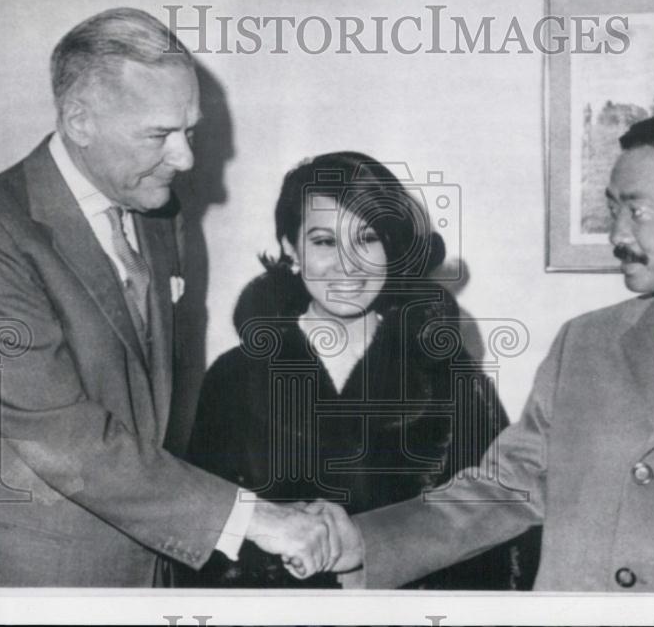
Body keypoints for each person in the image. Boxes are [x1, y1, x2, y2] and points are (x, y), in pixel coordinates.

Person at [322, 110, 654, 593]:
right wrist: (361, 543)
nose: (616, 233)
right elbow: (504, 488)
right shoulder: (582, 343)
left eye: (637, 210)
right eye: (610, 209)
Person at [0, 8, 340, 587]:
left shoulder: (157, 209)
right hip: (28, 573)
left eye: (189, 129)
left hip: (149, 564)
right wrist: (252, 518)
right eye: (159, 134)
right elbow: (56, 430)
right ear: (79, 121)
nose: (186, 158)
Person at [177, 151, 539, 589]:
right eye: (325, 242)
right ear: (291, 248)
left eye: (367, 238)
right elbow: (201, 536)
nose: (348, 264)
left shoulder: (450, 374)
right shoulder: (233, 380)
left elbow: (501, 535)